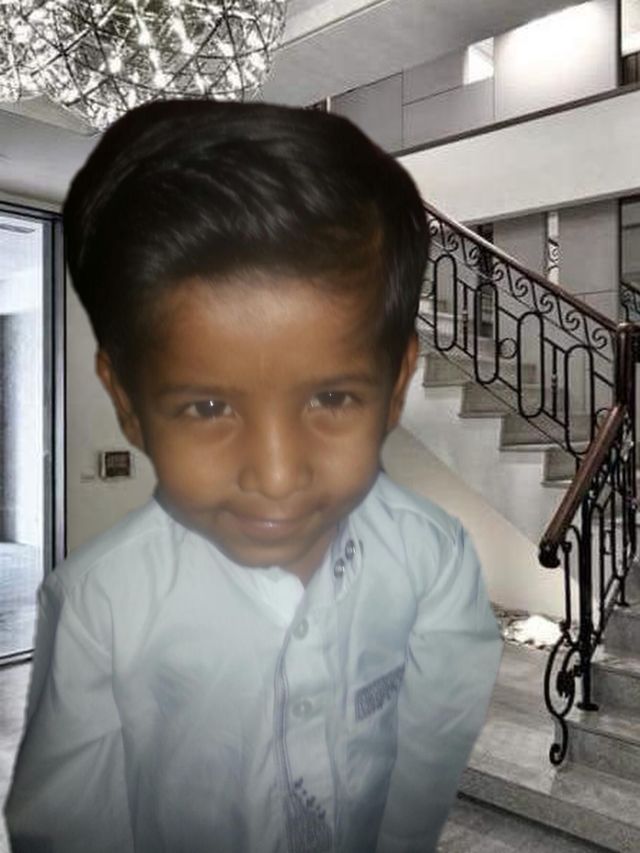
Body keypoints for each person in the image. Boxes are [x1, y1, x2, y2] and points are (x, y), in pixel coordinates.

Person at [4, 98, 503, 853]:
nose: (275, 474)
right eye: (208, 407)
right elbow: (67, 826)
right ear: (128, 403)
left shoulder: (433, 558)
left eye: (331, 398)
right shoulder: (100, 603)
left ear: (398, 383)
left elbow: (428, 755)